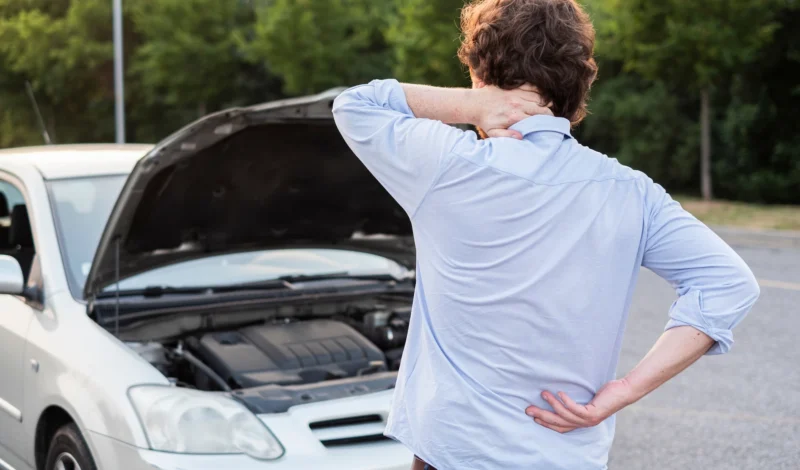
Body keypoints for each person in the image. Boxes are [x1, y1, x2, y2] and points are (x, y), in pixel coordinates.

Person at [332, 0, 760, 468]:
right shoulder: (632, 192)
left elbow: (355, 103)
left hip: (454, 452)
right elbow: (729, 284)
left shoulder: (448, 165)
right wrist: (622, 392)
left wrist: (473, 105)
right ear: (580, 83)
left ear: (478, 72)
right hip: (567, 456)